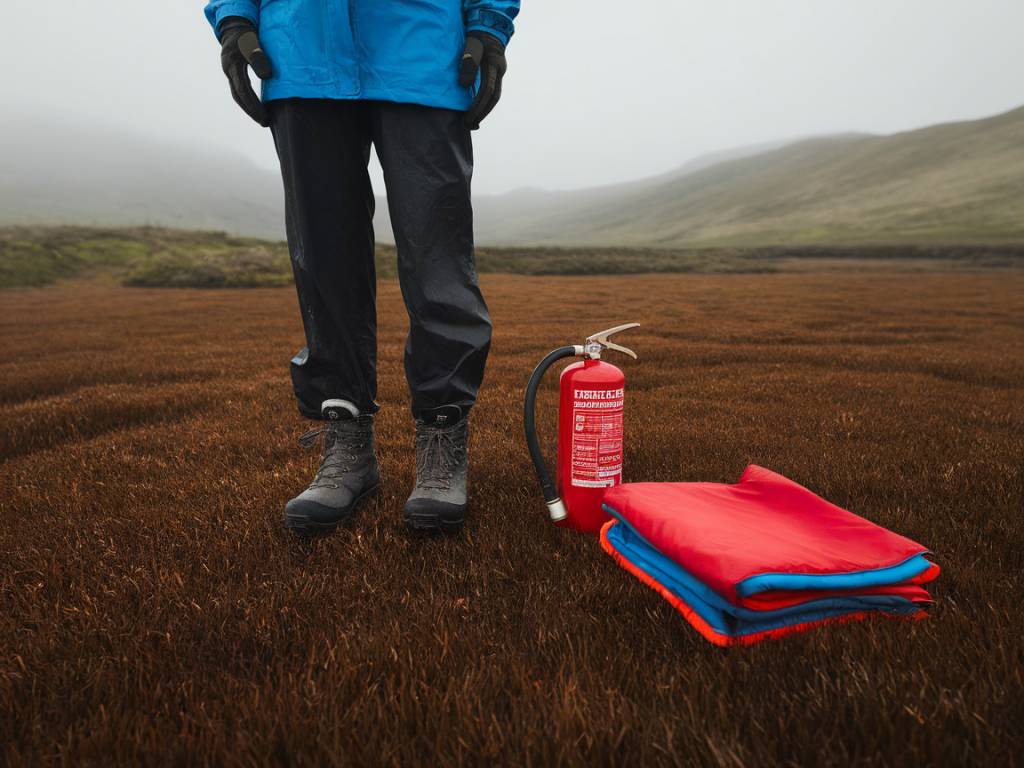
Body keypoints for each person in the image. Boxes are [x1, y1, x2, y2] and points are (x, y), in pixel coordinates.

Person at [204, 1, 520, 536]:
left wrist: (488, 22)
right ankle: (347, 441)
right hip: (300, 53)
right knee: (324, 261)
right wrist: (234, 16)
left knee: (437, 257)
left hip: (422, 51)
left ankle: (443, 433)